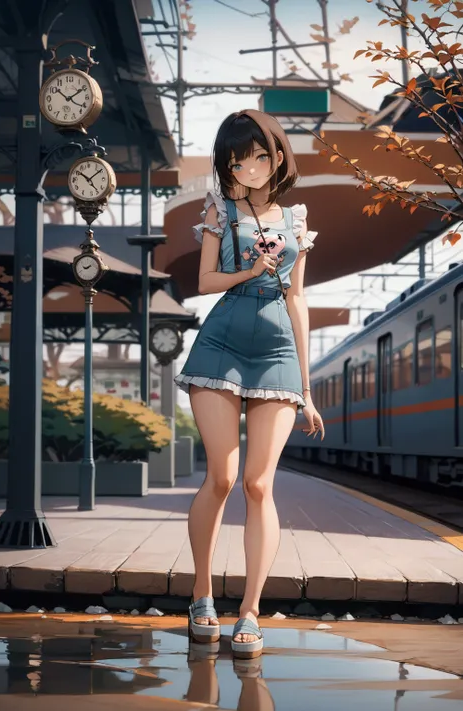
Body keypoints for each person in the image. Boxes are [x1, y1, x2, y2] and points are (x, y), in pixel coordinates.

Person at [174, 108, 325, 659]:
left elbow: (298, 299)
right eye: (239, 159)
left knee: (259, 485)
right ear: (227, 164)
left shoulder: (296, 218)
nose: (252, 167)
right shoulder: (219, 208)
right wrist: (251, 273)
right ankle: (201, 596)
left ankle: (250, 611)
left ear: (278, 156)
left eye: (261, 156)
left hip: (278, 350)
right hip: (222, 344)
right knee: (222, 477)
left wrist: (306, 390)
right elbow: (206, 280)